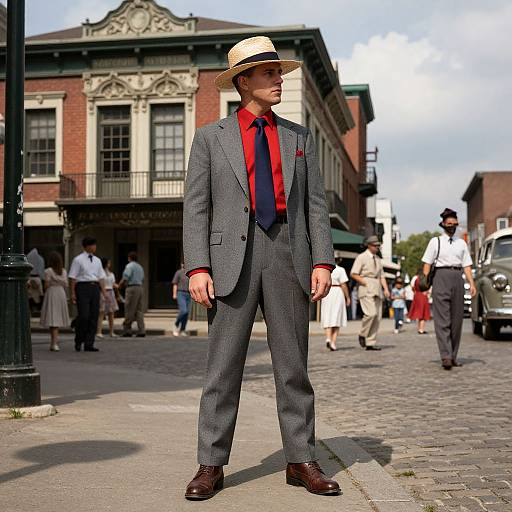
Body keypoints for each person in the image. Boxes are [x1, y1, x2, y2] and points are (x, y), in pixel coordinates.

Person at [183, 36, 339, 500]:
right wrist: (198, 267)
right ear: (243, 81)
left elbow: (315, 205)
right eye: (269, 73)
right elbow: (196, 208)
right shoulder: (211, 138)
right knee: (223, 368)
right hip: (231, 257)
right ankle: (210, 464)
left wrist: (323, 260)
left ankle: (300, 458)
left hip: (289, 253)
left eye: (279, 73)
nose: (278, 80)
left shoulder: (298, 137)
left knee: (294, 366)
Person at [422, 208, 476, 370]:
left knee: (457, 319)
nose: (452, 226)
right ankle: (445, 356)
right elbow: (427, 264)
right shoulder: (435, 241)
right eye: (449, 223)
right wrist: (426, 284)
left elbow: (466, 265)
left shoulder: (461, 243)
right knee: (442, 318)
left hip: (457, 278)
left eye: (454, 224)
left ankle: (453, 356)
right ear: (443, 224)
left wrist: (471, 283)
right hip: (440, 277)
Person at [350, 236, 390, 350]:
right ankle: (363, 334)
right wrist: (365, 282)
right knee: (370, 313)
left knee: (377, 317)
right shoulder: (361, 257)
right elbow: (354, 273)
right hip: (366, 286)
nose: (377, 247)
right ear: (369, 245)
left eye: (378, 245)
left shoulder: (377, 259)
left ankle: (370, 342)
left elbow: (382, 275)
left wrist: (386, 289)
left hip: (377, 287)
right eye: (375, 245)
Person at [69, 237, 107, 352]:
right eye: (92, 245)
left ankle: (89, 343)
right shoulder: (78, 260)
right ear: (87, 246)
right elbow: (72, 277)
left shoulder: (97, 260)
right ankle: (79, 339)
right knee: (84, 316)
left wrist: (104, 292)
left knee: (93, 316)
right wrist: (72, 293)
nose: (94, 247)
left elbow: (101, 277)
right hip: (82, 287)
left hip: (94, 287)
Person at [40, 251, 70, 351]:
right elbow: (66, 284)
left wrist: (52, 281)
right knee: (56, 318)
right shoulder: (64, 271)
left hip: (52, 292)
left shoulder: (48, 271)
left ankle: (54, 343)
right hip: (60, 292)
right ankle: (54, 343)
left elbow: (46, 285)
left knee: (53, 317)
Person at [321, 257, 350, 350]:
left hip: (327, 293)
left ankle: (328, 338)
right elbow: (344, 285)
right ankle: (333, 342)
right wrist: (347, 297)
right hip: (337, 292)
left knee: (327, 315)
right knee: (337, 317)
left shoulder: (325, 270)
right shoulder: (340, 270)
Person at [118, 252, 146, 338]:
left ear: (129, 258)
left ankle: (127, 330)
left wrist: (119, 285)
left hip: (132, 288)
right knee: (139, 310)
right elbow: (143, 278)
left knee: (129, 308)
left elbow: (126, 277)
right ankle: (141, 330)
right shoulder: (140, 267)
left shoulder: (129, 266)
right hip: (140, 288)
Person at [96, 258, 119, 338]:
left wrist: (117, 286)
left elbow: (113, 283)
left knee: (111, 313)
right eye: (109, 262)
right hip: (103, 292)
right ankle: (99, 331)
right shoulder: (100, 273)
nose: (110, 264)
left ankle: (111, 331)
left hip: (111, 292)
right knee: (101, 312)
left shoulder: (111, 274)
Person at [408, 267, 431, 334]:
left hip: (417, 295)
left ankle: (420, 328)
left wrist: (415, 292)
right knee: (423, 313)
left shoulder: (415, 278)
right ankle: (421, 329)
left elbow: (412, 286)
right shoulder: (425, 278)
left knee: (419, 312)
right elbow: (429, 288)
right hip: (423, 296)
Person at [171, 262, 191, 337]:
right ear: (182, 265)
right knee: (183, 311)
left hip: (188, 294)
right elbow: (175, 283)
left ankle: (183, 329)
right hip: (180, 293)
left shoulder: (189, 273)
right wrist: (174, 294)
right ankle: (176, 324)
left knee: (187, 313)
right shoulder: (178, 272)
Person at [27, 248, 45, 314]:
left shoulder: (27, 258)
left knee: (30, 295)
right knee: (39, 294)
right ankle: (38, 308)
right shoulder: (40, 259)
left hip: (29, 278)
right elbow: (41, 271)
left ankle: (33, 308)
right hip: (37, 279)